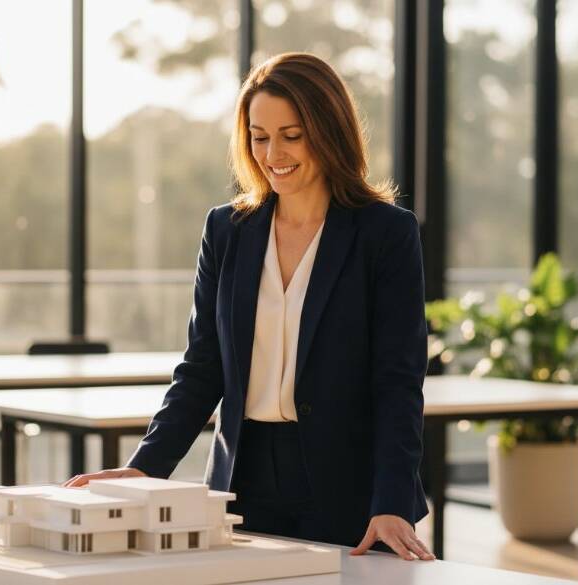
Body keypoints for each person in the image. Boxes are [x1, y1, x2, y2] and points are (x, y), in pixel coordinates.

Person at [64, 52, 433, 561]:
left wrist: (392, 501)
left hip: (351, 488)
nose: (272, 152)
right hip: (244, 481)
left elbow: (398, 379)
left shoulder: (385, 233)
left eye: (292, 134)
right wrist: (146, 468)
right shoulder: (227, 230)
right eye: (259, 136)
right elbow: (202, 368)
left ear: (328, 131)